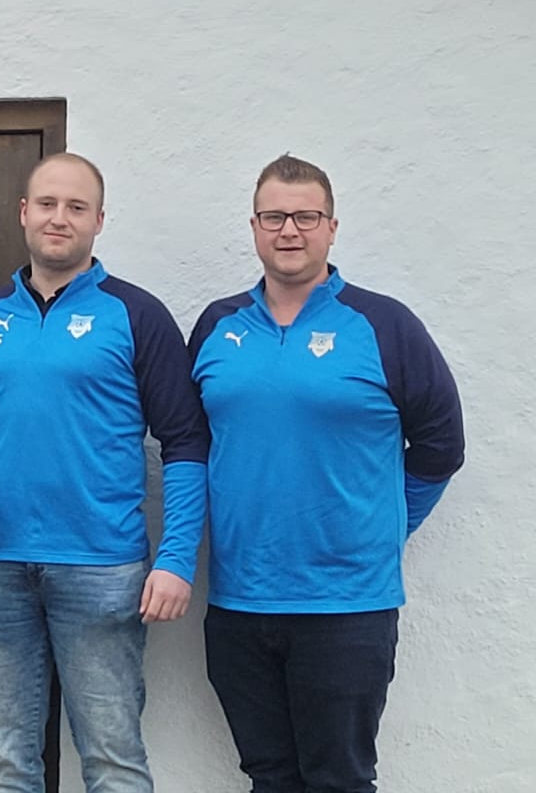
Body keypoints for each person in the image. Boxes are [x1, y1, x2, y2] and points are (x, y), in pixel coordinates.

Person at [0, 153, 209, 793]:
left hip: (101, 568)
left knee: (112, 759)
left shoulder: (136, 315)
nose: (60, 218)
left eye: (76, 207)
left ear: (99, 220)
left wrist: (175, 559)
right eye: (48, 204)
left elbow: (186, 442)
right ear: (24, 213)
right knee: (3, 761)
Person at [190, 154, 465, 793]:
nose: (289, 230)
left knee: (339, 779)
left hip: (347, 606)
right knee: (269, 778)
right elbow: (192, 444)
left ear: (331, 228)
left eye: (306, 216)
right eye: (274, 217)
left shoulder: (385, 325)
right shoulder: (217, 326)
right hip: (238, 601)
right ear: (254, 227)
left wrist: (378, 525)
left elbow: (440, 446)